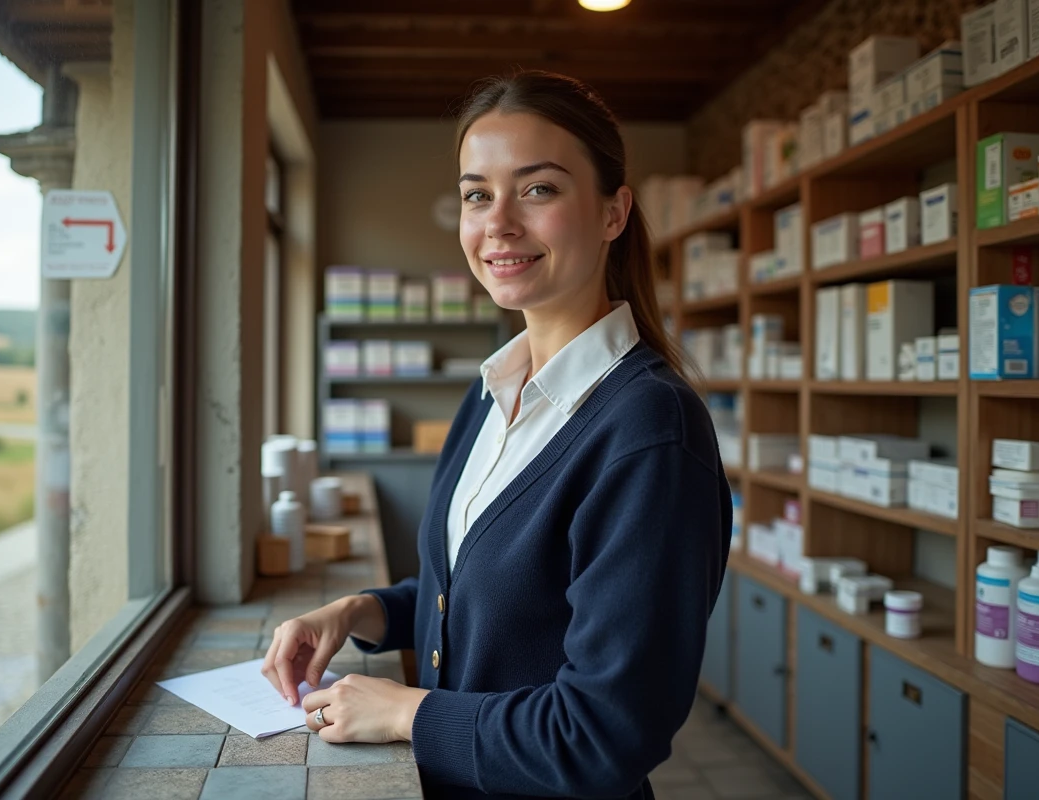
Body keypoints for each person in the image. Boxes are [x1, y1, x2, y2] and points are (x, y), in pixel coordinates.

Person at [262, 70, 731, 800]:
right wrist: (363, 612)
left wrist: (405, 712)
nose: (498, 223)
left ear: (614, 212)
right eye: (478, 194)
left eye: (538, 189)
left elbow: (602, 735)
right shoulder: (491, 393)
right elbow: (488, 594)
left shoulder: (649, 431)